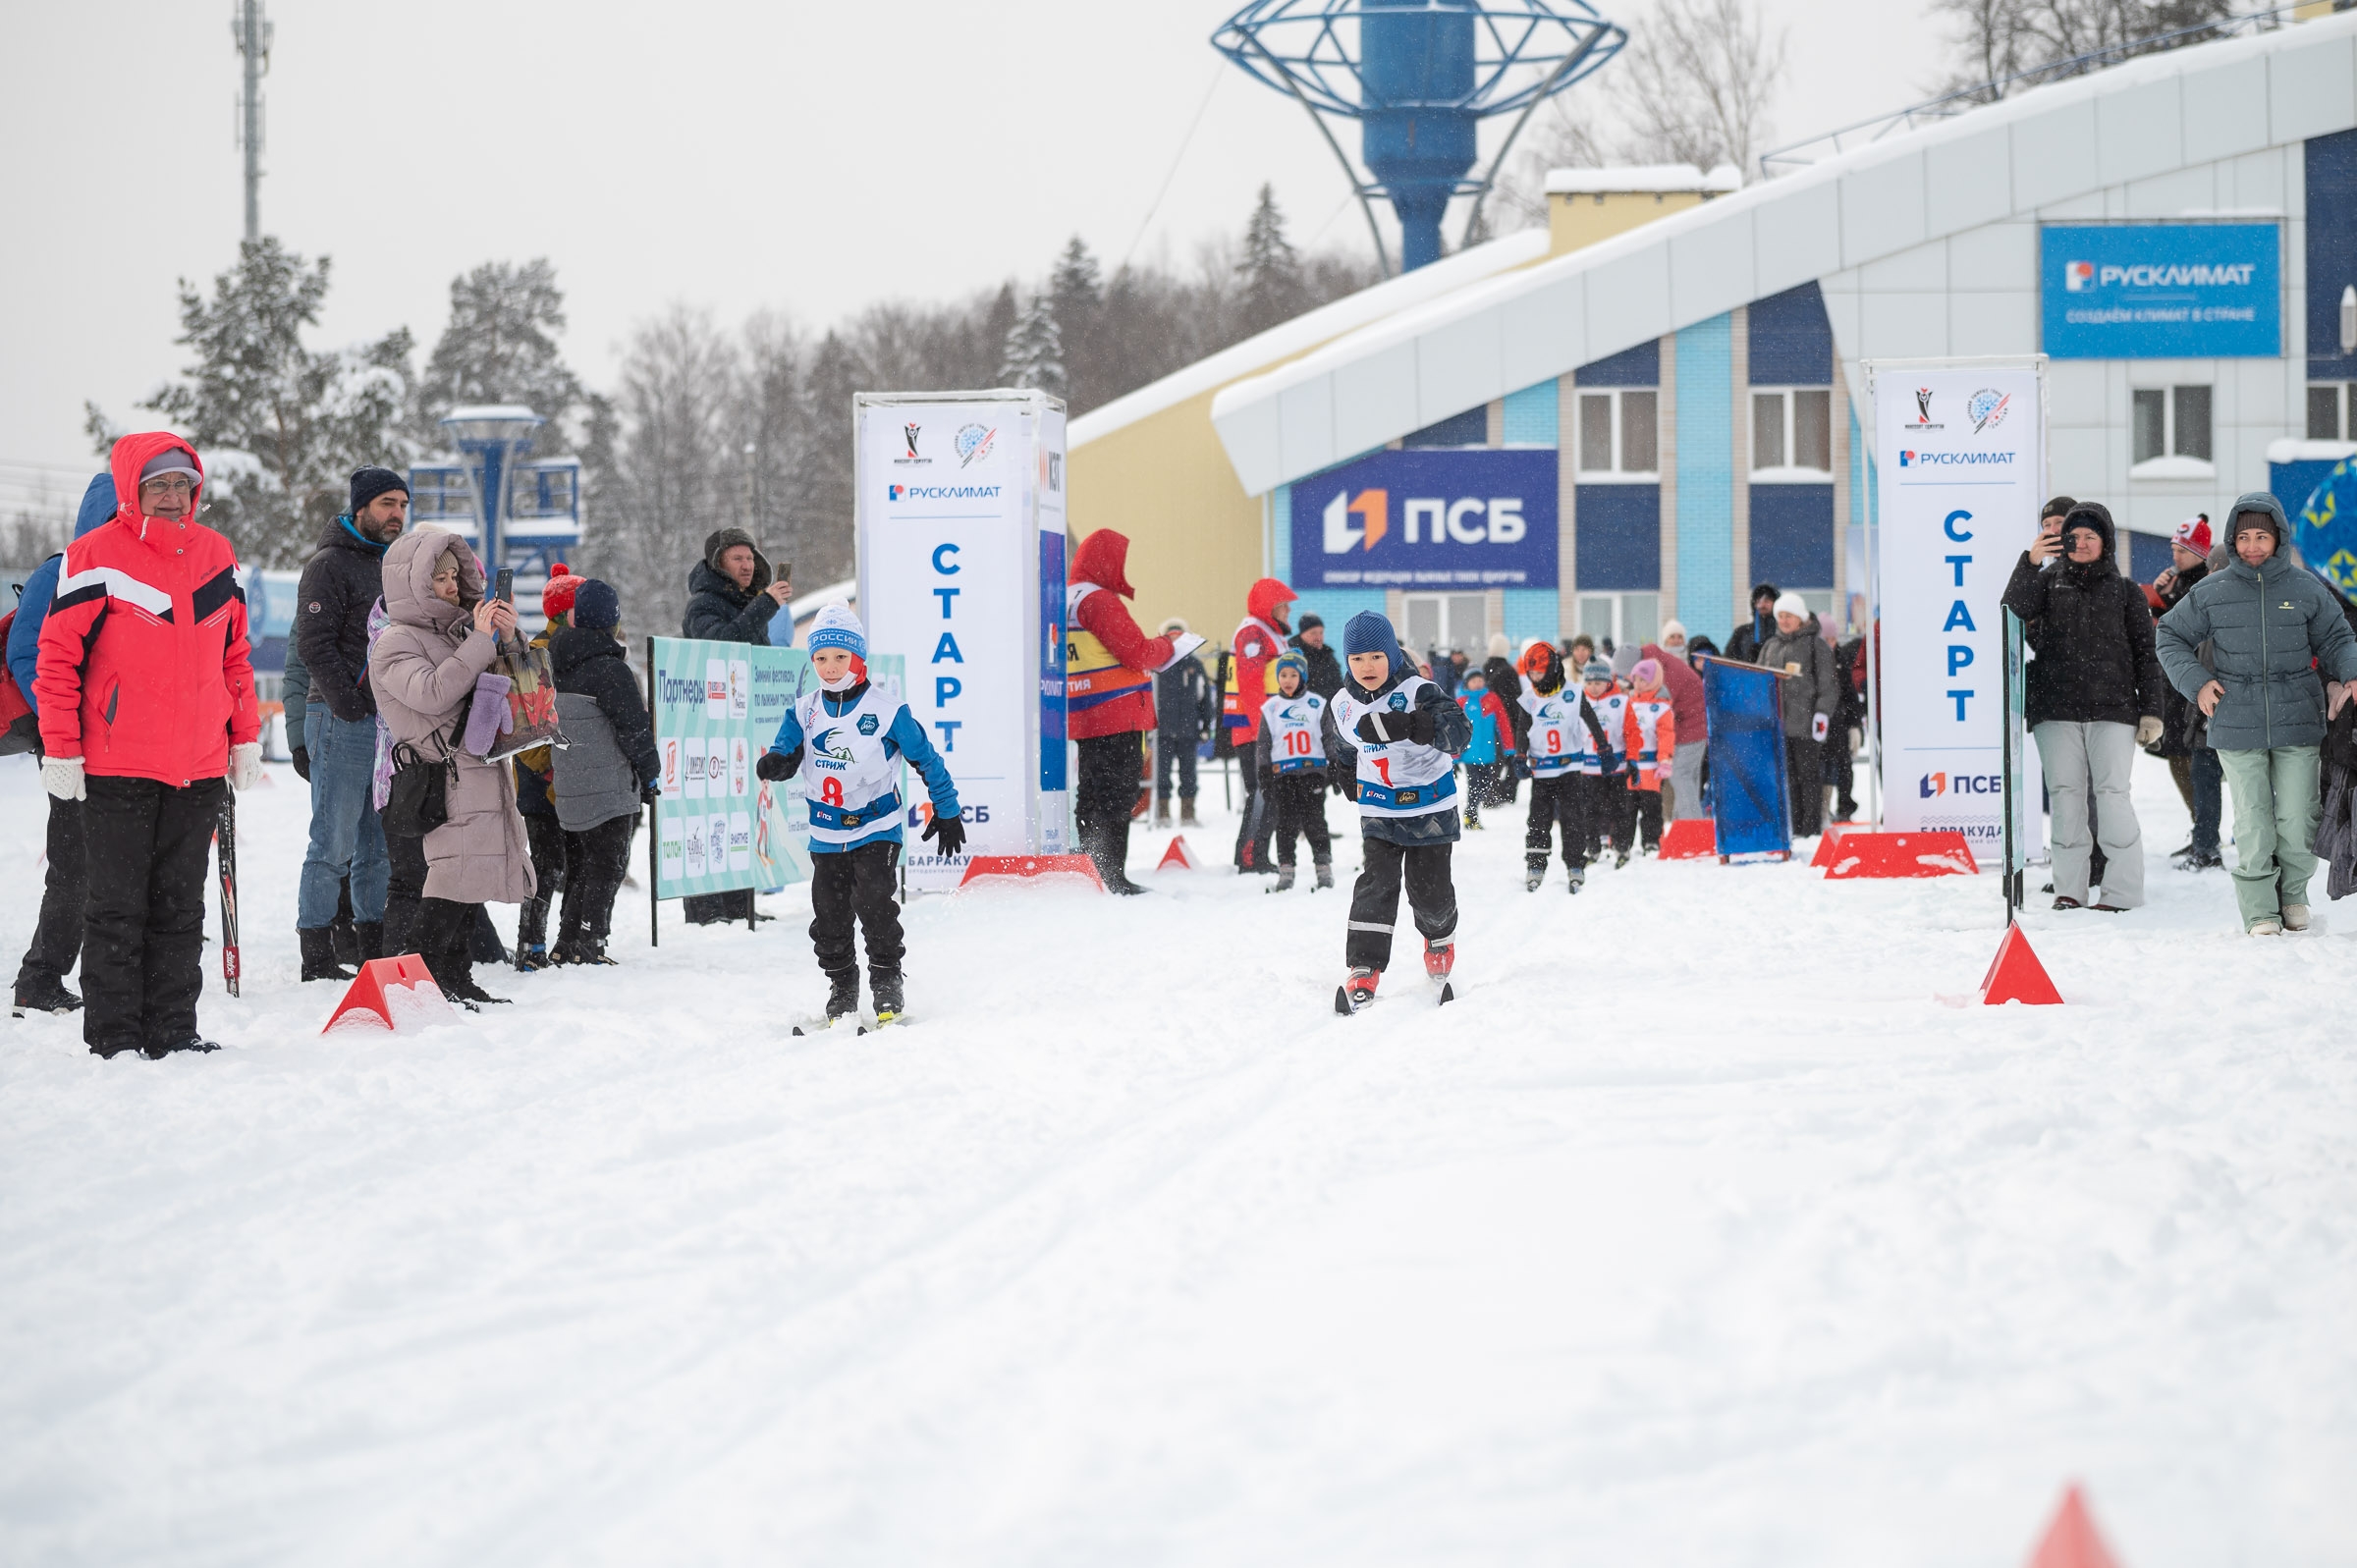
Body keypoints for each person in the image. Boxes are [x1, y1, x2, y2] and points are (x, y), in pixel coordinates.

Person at [33, 434, 261, 1058]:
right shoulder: (92, 555)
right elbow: (55, 660)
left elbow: (236, 655)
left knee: (180, 907)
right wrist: (62, 748)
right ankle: (114, 1037)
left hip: (198, 766)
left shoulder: (217, 553)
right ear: (131, 490)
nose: (171, 495)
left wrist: (244, 736)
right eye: (158, 484)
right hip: (117, 765)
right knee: (116, 907)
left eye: (182, 484)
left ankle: (173, 1030)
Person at [2157, 493, 2357, 935]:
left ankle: (2293, 895)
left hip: (2298, 716)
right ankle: (2260, 909)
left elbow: (2338, 639)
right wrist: (2197, 681)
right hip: (2235, 717)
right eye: (2244, 537)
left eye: (2261, 537)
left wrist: (2351, 672)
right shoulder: (2213, 590)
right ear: (2233, 538)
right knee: (2253, 818)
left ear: (2278, 538)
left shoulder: (2305, 588)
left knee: (2298, 817)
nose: (2252, 546)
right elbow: (2169, 635)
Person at [756, 605, 962, 1025]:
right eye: (820, 658)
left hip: (876, 827)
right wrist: (777, 763)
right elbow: (785, 749)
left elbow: (927, 759)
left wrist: (947, 808)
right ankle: (843, 986)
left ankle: (886, 980)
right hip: (826, 832)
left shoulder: (888, 710)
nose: (830, 667)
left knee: (874, 903)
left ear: (858, 658)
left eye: (840, 657)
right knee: (829, 915)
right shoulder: (804, 710)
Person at [369, 530, 534, 1007]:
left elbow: (515, 684)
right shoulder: (394, 643)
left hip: (478, 768)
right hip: (441, 776)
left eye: (455, 576)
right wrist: (481, 640)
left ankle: (455, 974)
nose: (451, 586)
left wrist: (508, 637)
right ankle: (421, 977)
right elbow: (433, 692)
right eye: (438, 578)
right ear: (413, 584)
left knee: (471, 875)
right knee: (449, 879)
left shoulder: (459, 633)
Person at [2001, 502, 2164, 911]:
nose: (2083, 543)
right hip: (2055, 710)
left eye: (2091, 536)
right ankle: (2069, 891)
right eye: (2074, 537)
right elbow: (2012, 610)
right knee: (2066, 800)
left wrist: (2152, 711)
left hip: (2113, 711)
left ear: (2106, 541)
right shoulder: (2047, 584)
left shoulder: (2126, 591)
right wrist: (2030, 562)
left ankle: (2122, 893)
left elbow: (2147, 655)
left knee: (2112, 797)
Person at [292, 465, 407, 981]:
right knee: (333, 843)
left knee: (377, 846)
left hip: (387, 720)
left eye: (402, 505)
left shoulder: (396, 565)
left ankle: (371, 950)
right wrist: (351, 704)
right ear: (361, 507)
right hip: (340, 716)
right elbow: (313, 645)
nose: (397, 514)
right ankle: (316, 956)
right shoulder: (328, 565)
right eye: (387, 504)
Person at [1324, 613, 1471, 1010]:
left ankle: (1439, 938)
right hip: (1380, 808)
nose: (1366, 666)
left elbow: (1460, 734)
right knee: (1377, 885)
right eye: (1357, 659)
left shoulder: (1419, 690)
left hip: (1430, 807)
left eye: (1376, 656)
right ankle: (1364, 966)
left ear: (1391, 654)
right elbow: (1344, 743)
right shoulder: (1342, 703)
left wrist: (1411, 725)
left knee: (1429, 892)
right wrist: (1345, 773)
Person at [6, 470, 111, 1018]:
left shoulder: (141, 574)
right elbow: (26, 655)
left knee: (115, 860)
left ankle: (108, 969)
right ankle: (40, 978)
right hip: (68, 742)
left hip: (124, 742)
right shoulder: (59, 572)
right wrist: (62, 726)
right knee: (76, 863)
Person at [681, 527, 792, 925]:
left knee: (742, 818)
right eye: (737, 559)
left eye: (750, 558)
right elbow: (723, 647)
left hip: (743, 728)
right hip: (709, 732)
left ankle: (738, 904)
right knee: (710, 820)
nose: (747, 566)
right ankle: (706, 910)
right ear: (718, 564)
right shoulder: (703, 605)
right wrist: (764, 606)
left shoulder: (746, 601)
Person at [548, 579, 659, 965]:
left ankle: (566, 941)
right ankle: (590, 941)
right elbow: (634, 729)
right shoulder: (612, 670)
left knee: (580, 868)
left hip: (569, 786)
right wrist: (650, 774)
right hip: (608, 787)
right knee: (608, 867)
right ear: (613, 621)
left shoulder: (555, 663)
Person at [1066, 529, 1182, 893]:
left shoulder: (1068, 597)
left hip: (1084, 712)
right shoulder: (1099, 600)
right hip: (1116, 713)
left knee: (1091, 794)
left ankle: (1092, 871)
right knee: (1117, 796)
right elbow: (1138, 653)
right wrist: (1169, 645)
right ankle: (1112, 876)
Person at [512, 565, 579, 968]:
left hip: (572, 776)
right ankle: (531, 942)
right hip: (540, 781)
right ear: (564, 612)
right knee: (546, 864)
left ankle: (567, 941)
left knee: (574, 864)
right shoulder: (535, 653)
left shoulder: (591, 647)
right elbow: (524, 729)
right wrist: (553, 769)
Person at [2145, 514, 2222, 870]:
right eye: (2173, 549)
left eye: (2182, 550)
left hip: (2195, 688)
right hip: (2174, 687)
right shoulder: (2176, 583)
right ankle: (2201, 832)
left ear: (2200, 554)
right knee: (2179, 758)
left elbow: (2185, 633)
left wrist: (2163, 602)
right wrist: (2158, 597)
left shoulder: (2207, 585)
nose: (2175, 556)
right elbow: (2161, 632)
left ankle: (2207, 835)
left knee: (2201, 764)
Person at [1518, 649, 1611, 892]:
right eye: (1531, 673)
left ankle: (1575, 863)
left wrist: (1604, 748)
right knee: (1538, 820)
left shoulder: (1573, 693)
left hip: (1570, 769)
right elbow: (1522, 730)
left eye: (1539, 673)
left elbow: (1592, 721)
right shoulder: (1529, 698)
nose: (1534, 678)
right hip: (1542, 771)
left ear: (1551, 671)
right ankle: (1535, 864)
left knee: (1573, 818)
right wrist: (1519, 757)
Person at [1225, 575, 1297, 874]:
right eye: (1284, 605)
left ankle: (1254, 854)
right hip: (1254, 729)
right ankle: (1251, 857)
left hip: (1263, 727)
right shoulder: (1253, 633)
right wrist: (1263, 730)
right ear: (1270, 606)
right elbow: (1250, 683)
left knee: (1270, 793)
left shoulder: (1267, 632)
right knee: (1263, 792)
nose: (1288, 611)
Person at [1753, 593, 1840, 839]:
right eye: (1780, 616)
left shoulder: (1815, 645)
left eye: (1788, 616)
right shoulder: (1771, 646)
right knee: (1787, 777)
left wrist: (1821, 714)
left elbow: (1828, 685)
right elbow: (1759, 680)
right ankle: (1794, 825)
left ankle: (1810, 827)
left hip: (1805, 724)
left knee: (1808, 776)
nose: (1784, 621)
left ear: (1800, 618)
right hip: (1777, 724)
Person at [1255, 650, 1333, 890]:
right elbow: (1263, 744)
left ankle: (1323, 868)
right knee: (1285, 824)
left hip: (1312, 773)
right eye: (1283, 675)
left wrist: (1336, 765)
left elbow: (1329, 737)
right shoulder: (1271, 708)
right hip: (1283, 775)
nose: (1287, 680)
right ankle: (1286, 870)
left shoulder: (1316, 704)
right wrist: (1264, 772)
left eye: (1293, 675)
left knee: (1315, 822)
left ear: (1302, 677)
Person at [1643, 621, 1709, 820]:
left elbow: (1666, 702)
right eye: (1672, 637)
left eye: (1679, 636)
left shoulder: (1672, 668)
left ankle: (1691, 825)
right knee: (1685, 780)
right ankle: (1681, 823)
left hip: (1687, 728)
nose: (1676, 640)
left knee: (1681, 776)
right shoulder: (1662, 664)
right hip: (1683, 729)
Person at [1151, 617, 1213, 827]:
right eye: (1172, 637)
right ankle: (1163, 813)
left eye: (1180, 637)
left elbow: (1204, 698)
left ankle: (1188, 813)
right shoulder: (1156, 665)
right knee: (1162, 774)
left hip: (1188, 730)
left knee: (1189, 774)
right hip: (1163, 731)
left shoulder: (1194, 665)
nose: (1176, 641)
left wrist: (1206, 725)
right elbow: (1148, 698)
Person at [1575, 659, 1636, 865]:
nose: (1593, 687)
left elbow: (1632, 732)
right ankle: (1592, 847)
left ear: (1608, 681)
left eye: (1598, 683)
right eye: (1589, 683)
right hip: (1588, 767)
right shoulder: (1579, 702)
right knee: (1589, 809)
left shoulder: (1621, 702)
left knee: (1619, 808)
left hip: (1616, 766)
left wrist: (1633, 759)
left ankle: (1621, 846)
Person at [1625, 658, 1676, 853]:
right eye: (1636, 680)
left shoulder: (1661, 707)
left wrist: (1665, 760)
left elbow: (1666, 735)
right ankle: (1622, 841)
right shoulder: (1628, 702)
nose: (1638, 684)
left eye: (1643, 680)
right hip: (1630, 765)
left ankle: (1652, 841)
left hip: (1651, 766)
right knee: (1627, 805)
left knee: (1651, 806)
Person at [1453, 667, 1514, 829]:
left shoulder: (1492, 699)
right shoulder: (1462, 702)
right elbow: (1455, 730)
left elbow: (1503, 724)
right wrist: (1454, 757)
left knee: (1486, 784)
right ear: (1467, 683)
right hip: (1469, 754)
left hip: (1488, 753)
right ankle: (1471, 815)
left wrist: (1509, 747)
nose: (1478, 684)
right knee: (1474, 785)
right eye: (1474, 681)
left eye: (1480, 680)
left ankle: (1471, 812)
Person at [1288, 613, 1344, 699]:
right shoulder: (1293, 656)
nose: (1319, 637)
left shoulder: (1328, 655)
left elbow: (1338, 686)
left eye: (1321, 633)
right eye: (1313, 633)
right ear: (1302, 634)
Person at [1726, 583, 1781, 665]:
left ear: (1776, 603)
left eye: (1767, 601)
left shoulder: (1783, 632)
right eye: (1758, 601)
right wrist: (1749, 661)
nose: (1762, 605)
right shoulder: (1742, 633)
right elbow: (1729, 661)